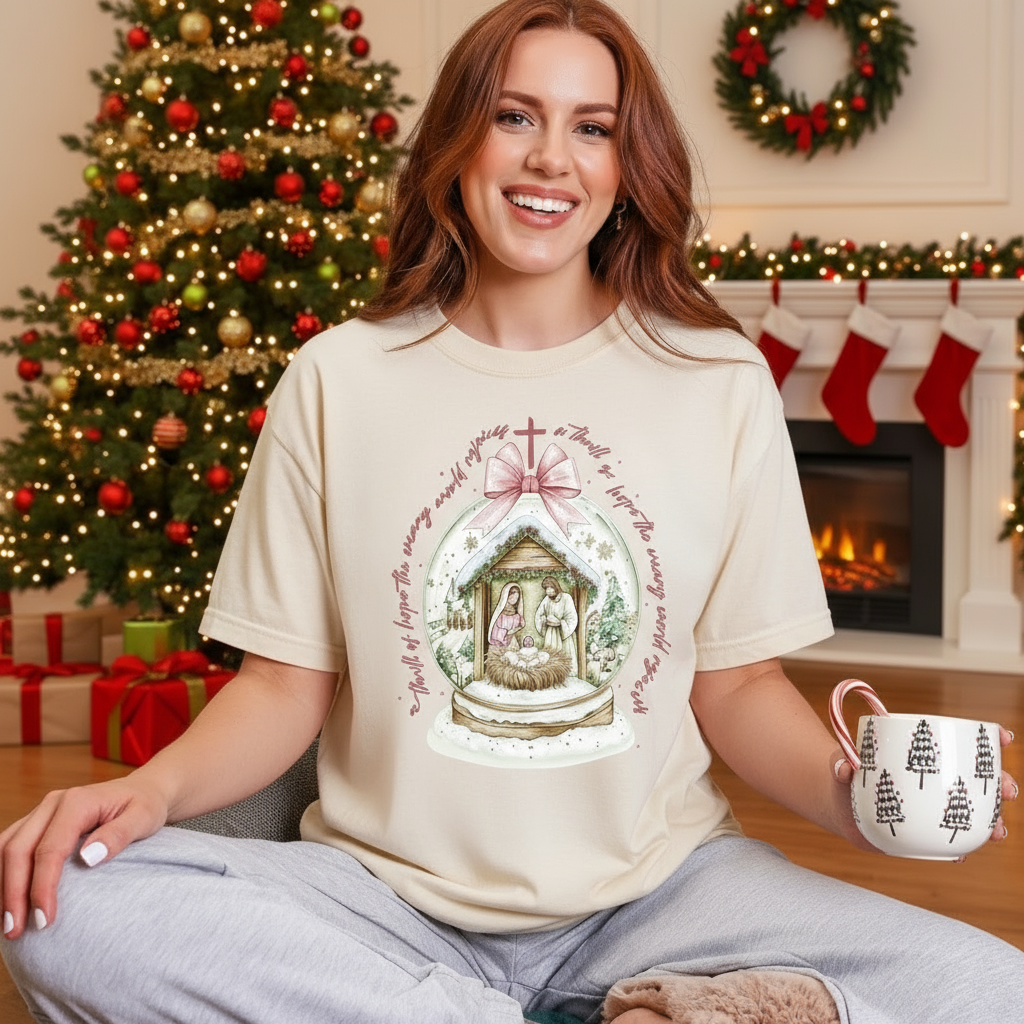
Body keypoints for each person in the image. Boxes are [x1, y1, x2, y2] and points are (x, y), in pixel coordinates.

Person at [2, 1, 1022, 1021]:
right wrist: (150, 793)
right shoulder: (338, 379)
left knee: (990, 987)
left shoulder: (717, 380)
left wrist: (864, 801)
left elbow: (739, 684)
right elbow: (281, 688)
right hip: (380, 901)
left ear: (628, 166)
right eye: (513, 116)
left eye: (592, 127)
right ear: (456, 141)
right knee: (61, 904)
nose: (550, 160)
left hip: (663, 895)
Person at [535, 576, 579, 665]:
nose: (549, 590)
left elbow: (572, 617)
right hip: (550, 633)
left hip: (563, 633)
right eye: (546, 588)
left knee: (565, 655)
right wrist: (545, 620)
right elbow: (539, 615)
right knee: (550, 655)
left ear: (556, 587)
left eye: (551, 587)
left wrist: (560, 623)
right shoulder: (546, 599)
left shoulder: (566, 598)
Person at [489, 582, 527, 650]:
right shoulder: (500, 615)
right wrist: (507, 632)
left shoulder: (517, 616)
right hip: (500, 645)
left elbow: (521, 625)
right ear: (506, 596)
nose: (513, 600)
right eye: (511, 597)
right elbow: (496, 632)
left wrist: (515, 630)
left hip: (513, 642)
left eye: (516, 598)